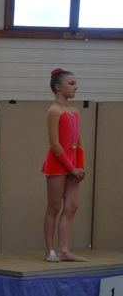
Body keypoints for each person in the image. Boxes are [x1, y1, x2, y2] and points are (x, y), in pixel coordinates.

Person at [42, 68, 86, 263]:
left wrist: (80, 166)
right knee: (54, 206)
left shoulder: (75, 112)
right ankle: (49, 250)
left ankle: (64, 250)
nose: (76, 87)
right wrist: (71, 168)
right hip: (58, 164)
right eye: (72, 83)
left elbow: (79, 141)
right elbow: (55, 145)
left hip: (73, 166)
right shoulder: (54, 111)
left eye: (76, 83)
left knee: (72, 206)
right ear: (58, 87)